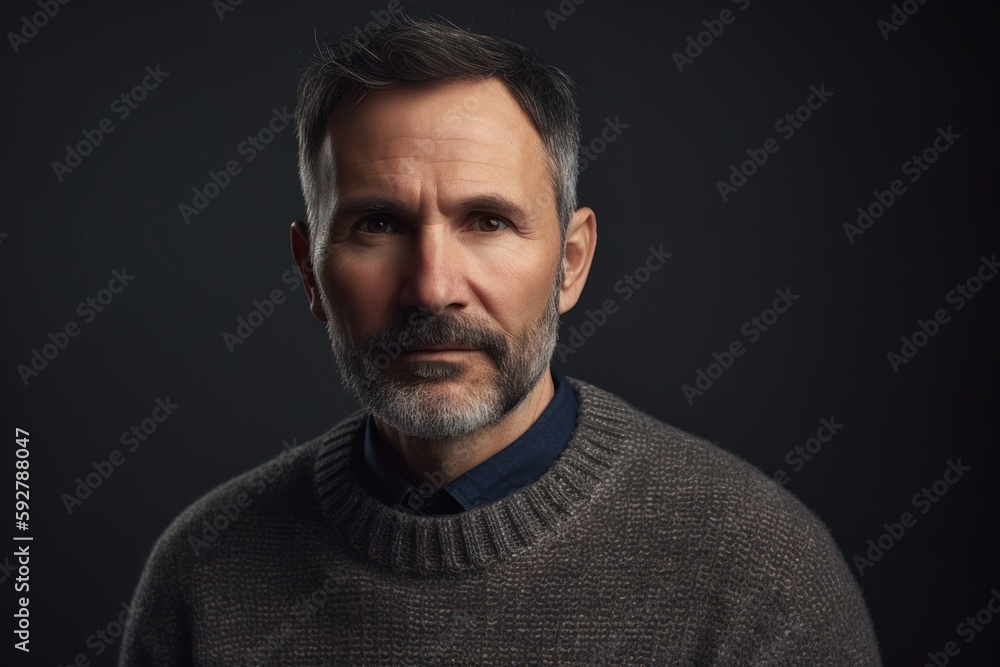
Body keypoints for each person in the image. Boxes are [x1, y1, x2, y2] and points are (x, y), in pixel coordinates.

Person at [120, 12, 881, 665]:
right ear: (310, 271)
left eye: (487, 221)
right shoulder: (204, 575)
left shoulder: (762, 577)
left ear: (570, 262)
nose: (432, 285)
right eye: (377, 224)